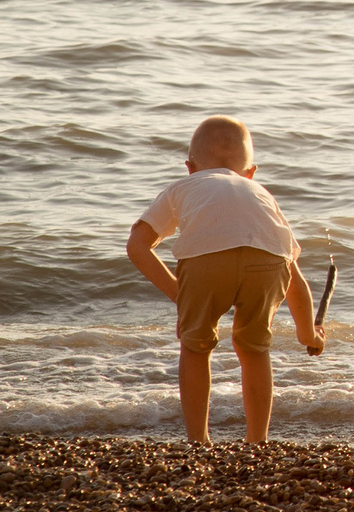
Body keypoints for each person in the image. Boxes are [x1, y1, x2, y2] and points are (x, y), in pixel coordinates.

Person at [125, 115, 327, 444]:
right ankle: (256, 439)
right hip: (268, 265)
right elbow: (294, 277)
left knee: (196, 346)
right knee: (254, 348)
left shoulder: (182, 187)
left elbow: (137, 245)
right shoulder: (261, 193)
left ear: (190, 167)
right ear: (250, 172)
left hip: (206, 265)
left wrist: (178, 291)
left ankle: (198, 440)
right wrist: (310, 334)